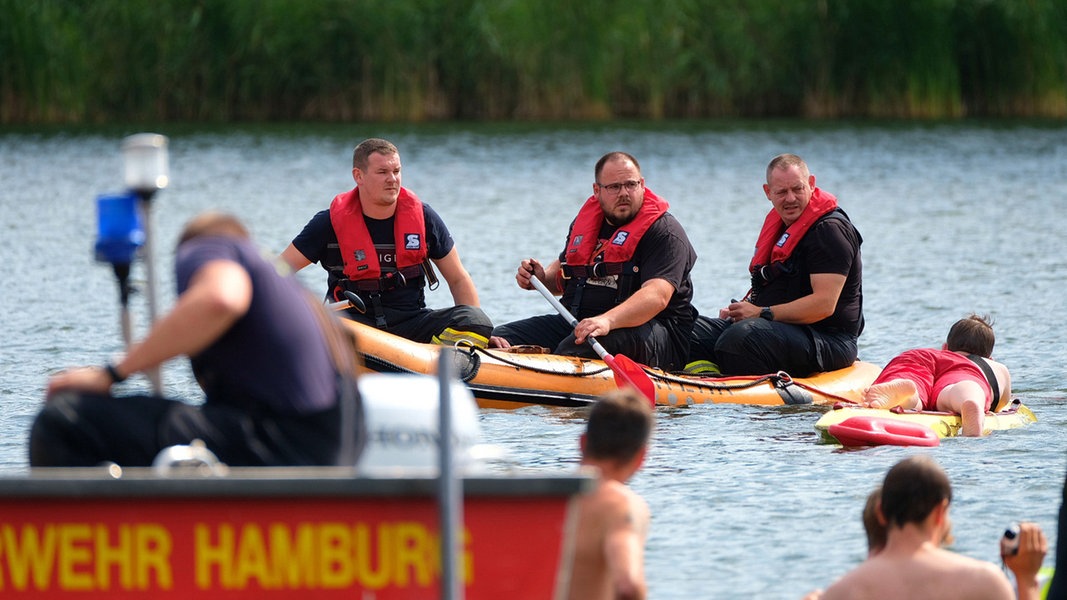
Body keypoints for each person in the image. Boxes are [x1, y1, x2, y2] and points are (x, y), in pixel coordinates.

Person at [30, 212, 364, 467]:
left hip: (281, 442)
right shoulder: (291, 292)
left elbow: (220, 298)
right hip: (338, 449)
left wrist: (111, 374)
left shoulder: (208, 246)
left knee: (65, 420)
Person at [489, 151, 698, 371]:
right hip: (579, 323)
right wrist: (541, 279)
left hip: (652, 333)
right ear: (597, 191)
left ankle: (552, 387)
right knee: (497, 338)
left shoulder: (665, 232)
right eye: (614, 187)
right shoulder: (586, 223)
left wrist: (607, 321)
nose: (624, 193)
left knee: (575, 347)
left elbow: (657, 296)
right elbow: (566, 273)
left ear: (642, 185)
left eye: (631, 185)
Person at [280, 138, 493, 347]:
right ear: (358, 176)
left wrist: (477, 335)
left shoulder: (424, 217)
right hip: (352, 325)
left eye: (397, 171)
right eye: (382, 172)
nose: (392, 179)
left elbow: (458, 279)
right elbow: (276, 272)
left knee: (474, 319)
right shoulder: (327, 223)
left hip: (411, 322)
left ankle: (439, 365)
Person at [686, 153, 863, 377]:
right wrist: (743, 308)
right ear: (768, 192)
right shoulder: (781, 226)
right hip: (774, 326)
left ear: (811, 184)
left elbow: (824, 305)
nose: (790, 198)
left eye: (797, 189)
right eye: (781, 192)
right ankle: (707, 380)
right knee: (684, 329)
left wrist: (762, 313)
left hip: (828, 340)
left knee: (741, 337)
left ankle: (736, 382)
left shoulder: (830, 231)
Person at [816, 455, 1026, 600]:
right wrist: (1027, 581)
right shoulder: (984, 581)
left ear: (880, 512)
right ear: (940, 512)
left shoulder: (842, 591)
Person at [862, 314, 1012, 437]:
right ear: (989, 357)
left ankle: (909, 392)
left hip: (920, 357)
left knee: (915, 386)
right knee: (959, 387)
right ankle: (970, 399)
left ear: (945, 347)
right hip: (968, 369)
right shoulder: (995, 366)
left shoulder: (935, 353)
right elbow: (1002, 404)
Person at [568, 388, 653, 600]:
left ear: (582, 442)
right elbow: (628, 585)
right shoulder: (619, 505)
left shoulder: (538, 497)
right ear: (642, 457)